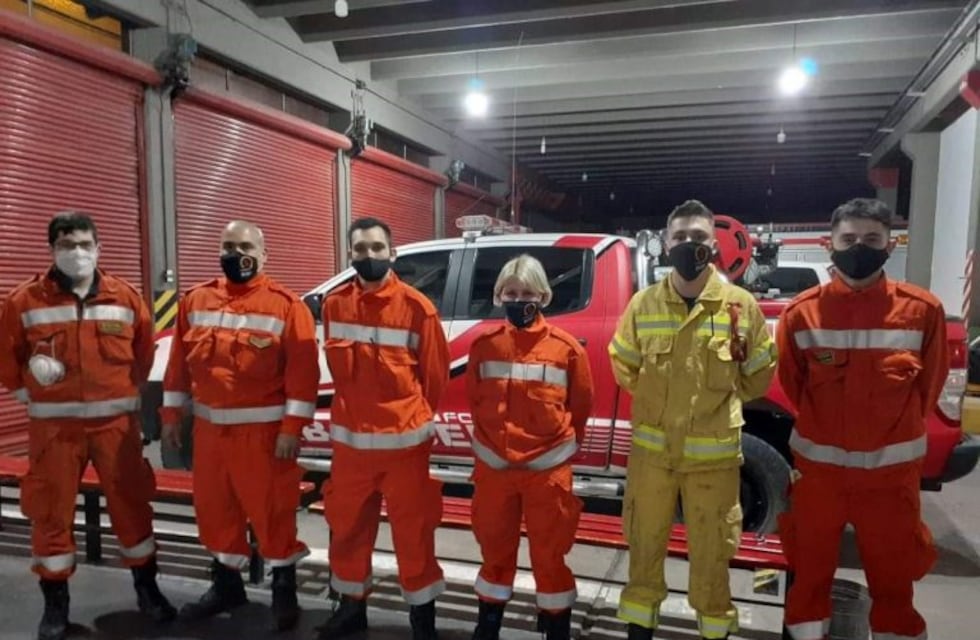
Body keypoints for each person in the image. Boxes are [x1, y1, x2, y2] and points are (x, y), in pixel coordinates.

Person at [776, 198, 948, 640]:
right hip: (820, 479)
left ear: (890, 245)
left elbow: (927, 389)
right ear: (829, 244)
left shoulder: (922, 311)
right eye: (849, 238)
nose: (859, 248)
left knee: (894, 589)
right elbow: (795, 386)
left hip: (890, 482)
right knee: (808, 582)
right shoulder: (800, 314)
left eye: (872, 239)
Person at [0, 212, 175, 640]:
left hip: (115, 428)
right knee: (50, 512)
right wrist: (26, 390)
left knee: (131, 505)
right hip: (54, 432)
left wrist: (121, 392)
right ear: (52, 250)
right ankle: (55, 605)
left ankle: (147, 590)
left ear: (98, 248)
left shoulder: (125, 297)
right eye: (66, 245)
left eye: (83, 244)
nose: (76, 253)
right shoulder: (24, 302)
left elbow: (143, 355)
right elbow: (6, 355)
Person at [608, 200, 777, 640]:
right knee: (644, 548)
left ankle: (714, 630)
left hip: (713, 462)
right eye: (679, 237)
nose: (688, 244)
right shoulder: (644, 305)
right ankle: (639, 631)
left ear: (714, 245)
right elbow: (624, 366)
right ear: (666, 245)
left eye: (698, 237)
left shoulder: (740, 307)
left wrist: (715, 404)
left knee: (712, 556)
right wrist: (660, 403)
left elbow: (758, 375)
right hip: (652, 457)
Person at [159, 220, 319, 631]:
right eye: (228, 246)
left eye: (245, 247)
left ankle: (284, 589)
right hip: (209, 435)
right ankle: (226, 585)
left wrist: (291, 429)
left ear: (264, 255)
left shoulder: (287, 306)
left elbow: (303, 376)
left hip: (263, 437)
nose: (236, 254)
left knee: (272, 513)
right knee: (216, 512)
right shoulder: (195, 301)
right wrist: (172, 416)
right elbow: (177, 366)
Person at [315, 217, 450, 640]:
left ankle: (422, 620)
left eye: (376, 248)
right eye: (360, 249)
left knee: (414, 535)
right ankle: (351, 609)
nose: (368, 255)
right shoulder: (335, 304)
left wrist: (409, 420)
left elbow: (434, 379)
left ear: (392, 253)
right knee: (348, 531)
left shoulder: (417, 308)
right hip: (352, 449)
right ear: (350, 254)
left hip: (404, 450)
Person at [465, 254, 594, 640]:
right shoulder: (484, 346)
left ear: (543, 296)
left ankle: (555, 625)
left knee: (549, 555)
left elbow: (581, 407)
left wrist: (555, 453)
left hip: (546, 473)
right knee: (494, 550)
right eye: (510, 293)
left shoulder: (566, 349)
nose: (518, 300)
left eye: (527, 293)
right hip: (495, 470)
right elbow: (475, 401)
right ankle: (489, 623)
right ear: (498, 295)